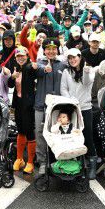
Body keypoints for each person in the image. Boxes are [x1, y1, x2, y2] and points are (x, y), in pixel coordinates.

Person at [60, 47, 97, 179]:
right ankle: (76, 163)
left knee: (87, 135)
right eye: (70, 58)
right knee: (72, 135)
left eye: (75, 57)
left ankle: (92, 162)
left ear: (80, 57)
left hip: (85, 108)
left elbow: (87, 83)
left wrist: (85, 71)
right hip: (71, 108)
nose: (72, 60)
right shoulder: (66, 72)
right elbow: (63, 88)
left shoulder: (89, 70)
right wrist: (70, 100)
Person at [34, 38, 67, 176]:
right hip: (40, 105)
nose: (51, 51)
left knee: (58, 132)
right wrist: (43, 69)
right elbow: (35, 71)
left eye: (54, 49)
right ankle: (42, 161)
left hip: (58, 106)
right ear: (44, 50)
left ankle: (58, 160)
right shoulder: (38, 64)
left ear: (58, 50)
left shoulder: (63, 65)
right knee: (40, 133)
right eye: (48, 48)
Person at [8, 47, 38, 174]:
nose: (20, 58)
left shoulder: (30, 67)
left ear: (27, 57)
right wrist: (12, 77)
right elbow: (10, 85)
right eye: (18, 56)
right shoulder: (16, 68)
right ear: (15, 58)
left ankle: (30, 162)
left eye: (23, 56)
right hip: (18, 104)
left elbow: (35, 72)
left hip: (29, 105)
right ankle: (19, 159)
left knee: (29, 131)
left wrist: (35, 66)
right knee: (20, 130)